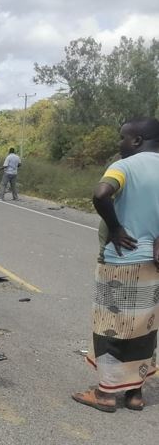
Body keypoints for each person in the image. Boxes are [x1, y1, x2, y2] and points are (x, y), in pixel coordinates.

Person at [71, 117, 159, 413]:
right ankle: (135, 394)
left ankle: (106, 394)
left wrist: (116, 227)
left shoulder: (124, 167)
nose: (119, 144)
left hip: (121, 261)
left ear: (136, 140)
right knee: (143, 328)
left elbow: (101, 194)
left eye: (123, 138)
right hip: (153, 263)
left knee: (110, 327)